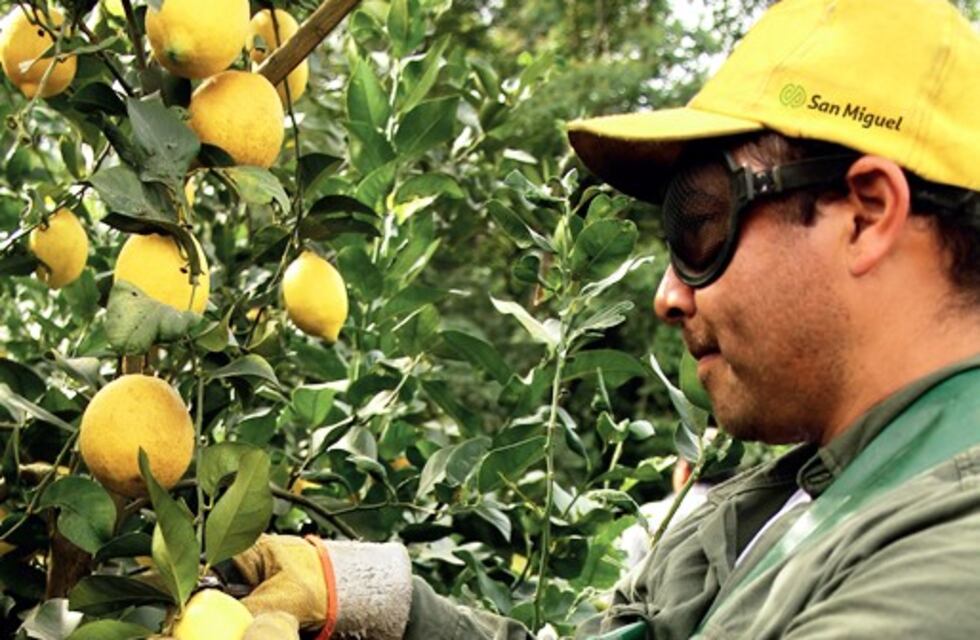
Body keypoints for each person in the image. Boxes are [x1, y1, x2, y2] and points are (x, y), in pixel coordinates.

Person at [213, 0, 980, 638]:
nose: (668, 295)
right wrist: (376, 599)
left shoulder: (950, 560)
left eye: (700, 225)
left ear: (866, 215)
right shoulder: (775, 506)